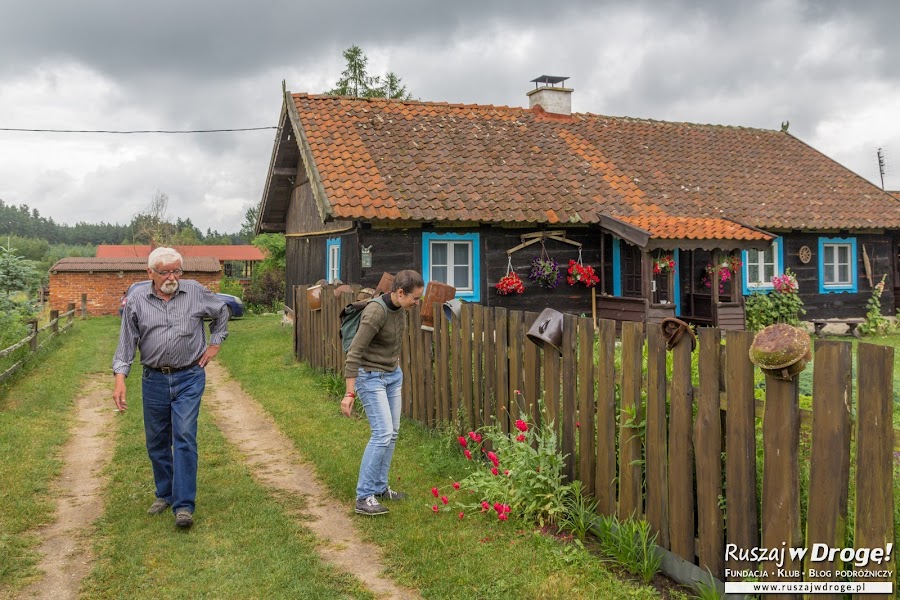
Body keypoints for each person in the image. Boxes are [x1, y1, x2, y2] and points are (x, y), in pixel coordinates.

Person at [112, 247, 229, 528]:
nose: (172, 276)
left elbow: (222, 311)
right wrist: (120, 378)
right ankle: (164, 493)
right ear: (149, 273)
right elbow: (127, 340)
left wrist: (215, 343)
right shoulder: (137, 299)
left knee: (185, 436)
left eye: (177, 270)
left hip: (189, 376)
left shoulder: (195, 292)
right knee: (157, 441)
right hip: (153, 379)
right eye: (165, 272)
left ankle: (184, 505)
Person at [341, 269, 425, 516]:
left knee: (393, 432)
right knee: (382, 433)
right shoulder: (376, 312)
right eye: (415, 298)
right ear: (400, 292)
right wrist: (349, 393)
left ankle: (379, 487)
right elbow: (354, 352)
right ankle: (364, 496)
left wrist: (394, 368)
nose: (417, 304)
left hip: (392, 375)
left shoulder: (400, 309)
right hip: (370, 377)